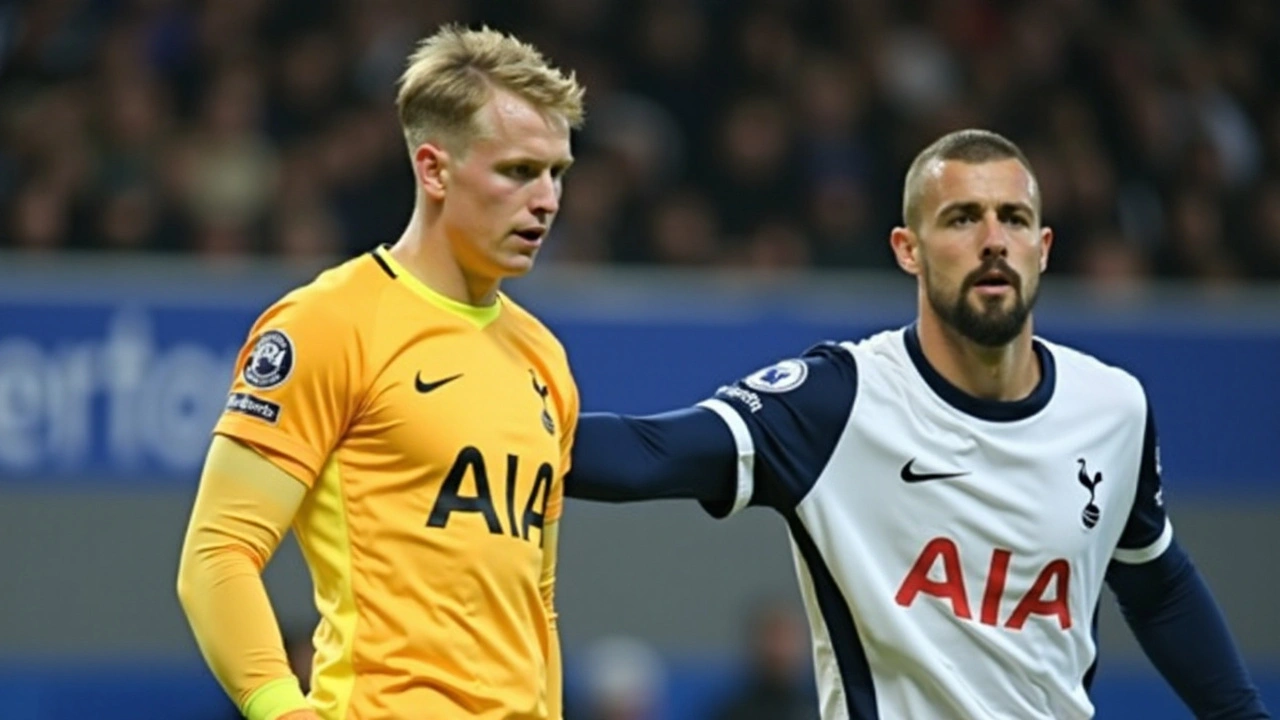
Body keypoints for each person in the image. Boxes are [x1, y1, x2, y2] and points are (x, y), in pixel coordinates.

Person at [565, 129, 1271, 719]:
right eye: (962, 218)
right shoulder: (838, 403)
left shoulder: (1114, 406)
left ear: (1044, 246)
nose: (993, 240)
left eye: (1013, 219)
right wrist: (485, 420)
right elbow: (650, 451)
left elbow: (1156, 579)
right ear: (908, 248)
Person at [177, 24, 585, 720]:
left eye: (556, 173)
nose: (545, 199)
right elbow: (217, 556)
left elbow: (535, 603)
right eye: (518, 171)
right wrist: (284, 710)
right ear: (434, 169)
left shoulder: (545, 358)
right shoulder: (329, 324)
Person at [711, 597, 819, 720]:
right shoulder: (734, 713)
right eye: (775, 637)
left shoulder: (824, 707)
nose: (781, 649)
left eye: (789, 638)